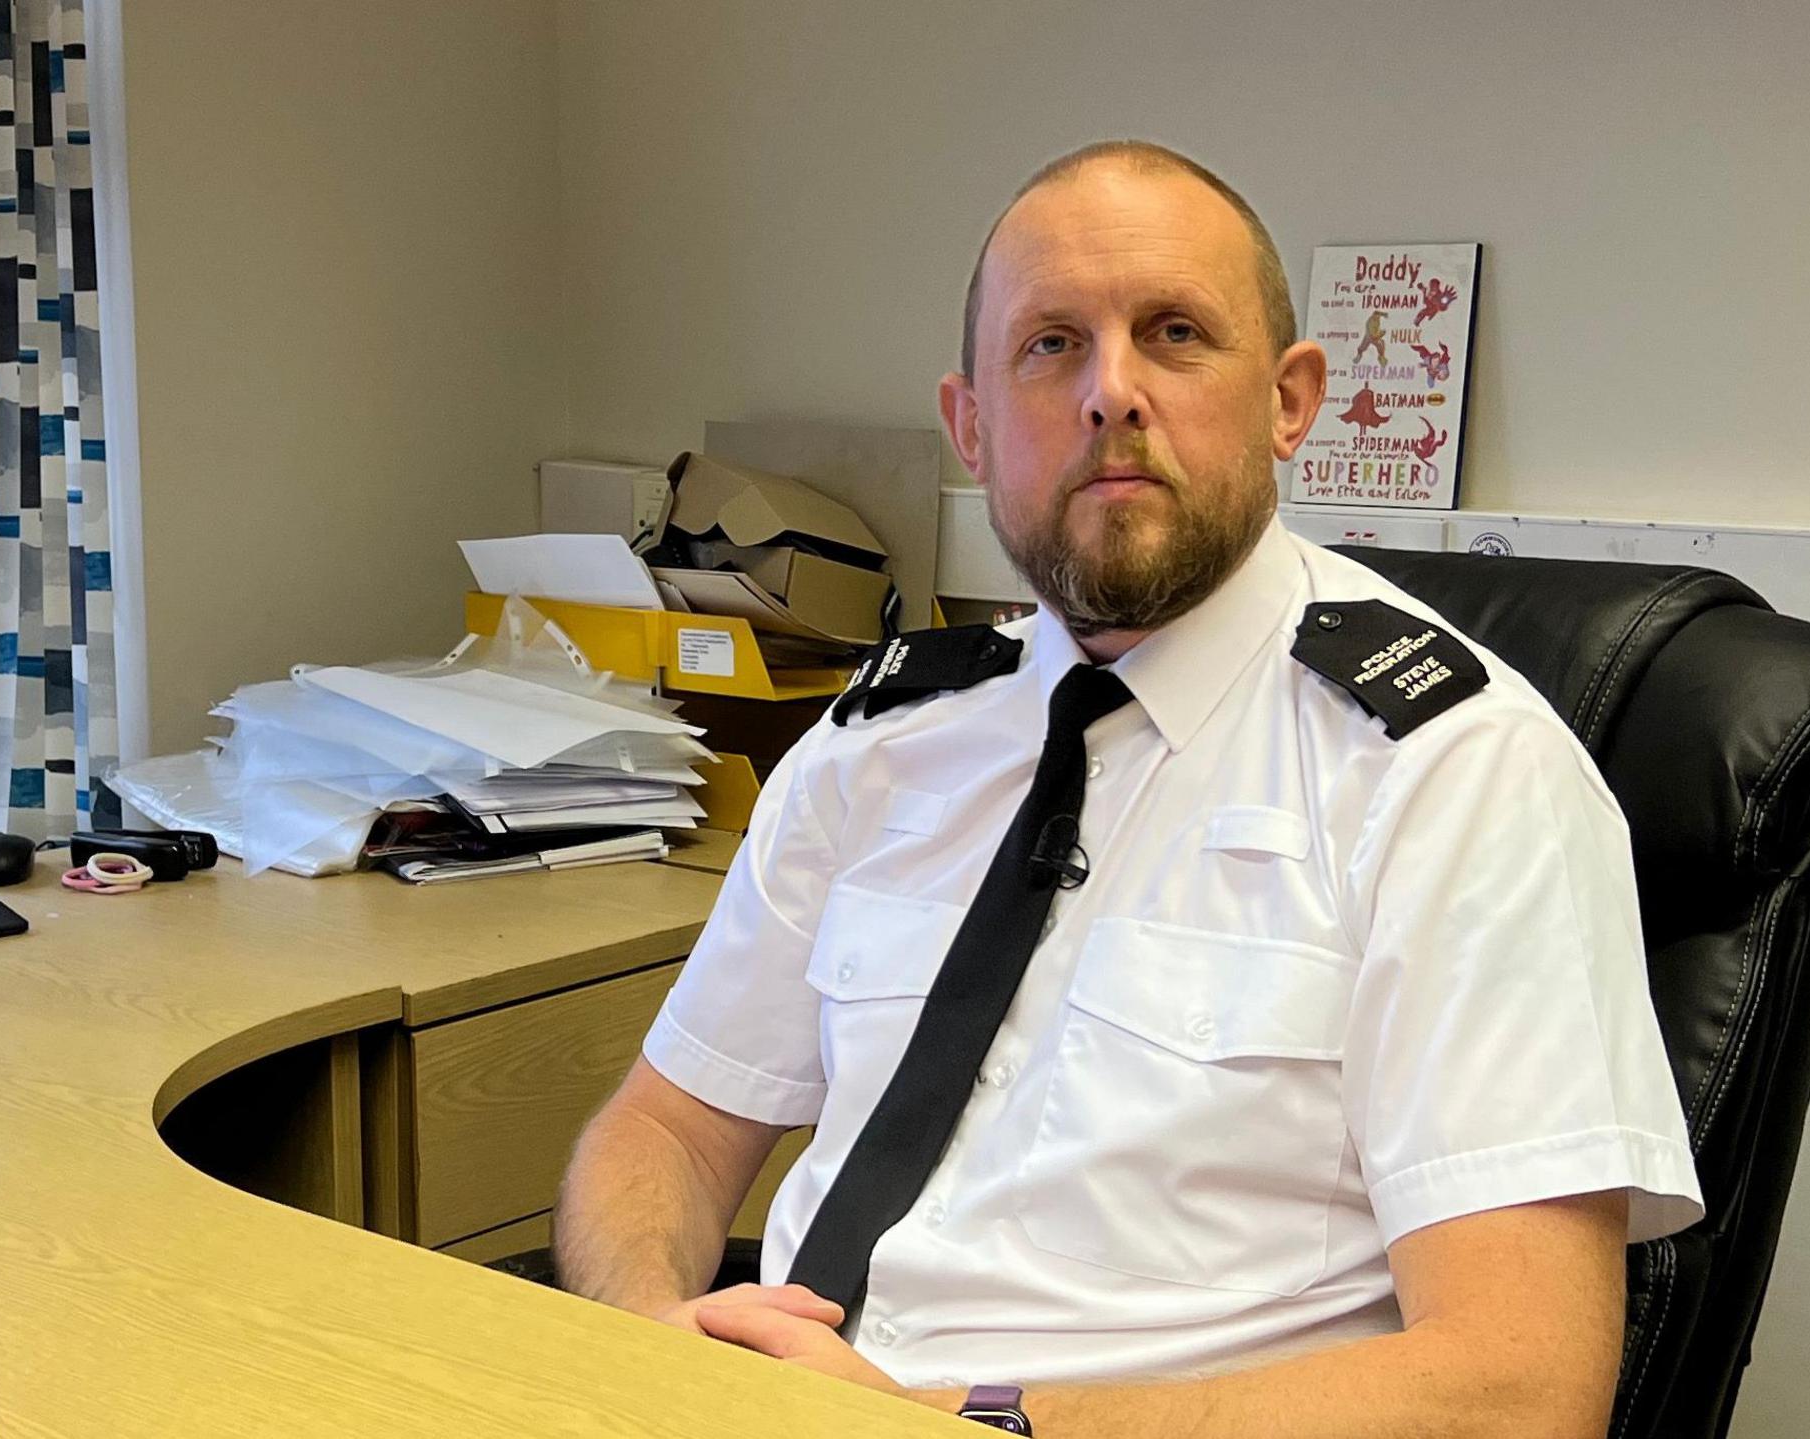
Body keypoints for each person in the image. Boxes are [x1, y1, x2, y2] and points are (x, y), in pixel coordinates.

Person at [552, 139, 1701, 1438]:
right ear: (972, 426)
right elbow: (663, 1134)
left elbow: (1517, 1388)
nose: (1112, 391)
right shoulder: (883, 739)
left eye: (1173, 333)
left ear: (1289, 398)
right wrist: (652, 1330)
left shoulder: (1456, 776)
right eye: (1050, 345)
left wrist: (966, 1418)